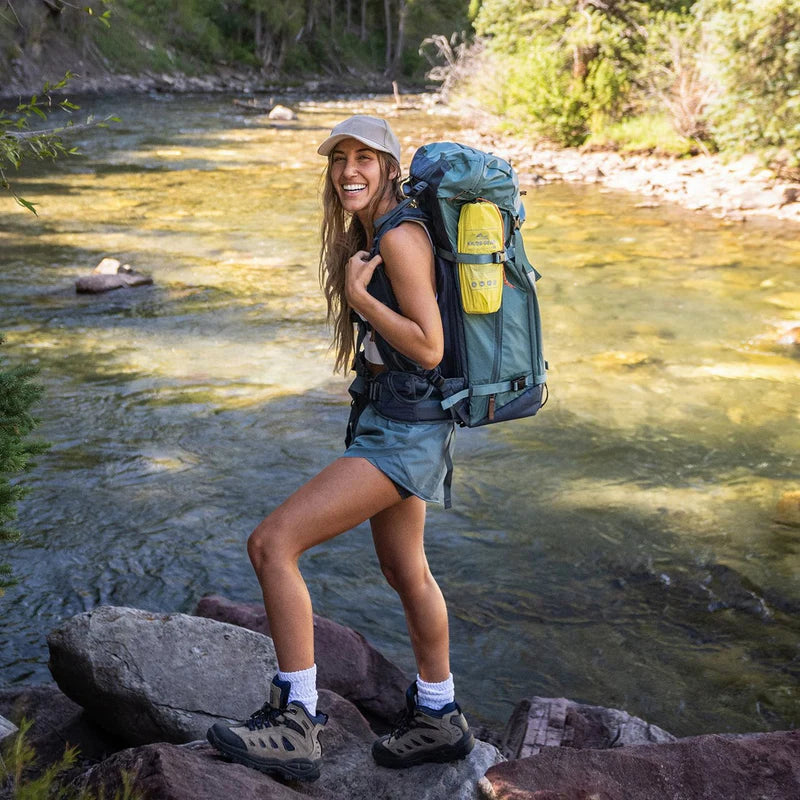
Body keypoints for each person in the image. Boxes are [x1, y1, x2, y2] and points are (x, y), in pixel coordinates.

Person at [206, 115, 474, 782]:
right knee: (405, 570)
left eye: (364, 158)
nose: (348, 170)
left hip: (405, 430)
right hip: (395, 418)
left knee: (272, 544)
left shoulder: (401, 236)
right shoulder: (378, 230)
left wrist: (360, 297)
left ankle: (296, 722)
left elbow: (430, 346)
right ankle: (439, 714)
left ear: (390, 167)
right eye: (338, 159)